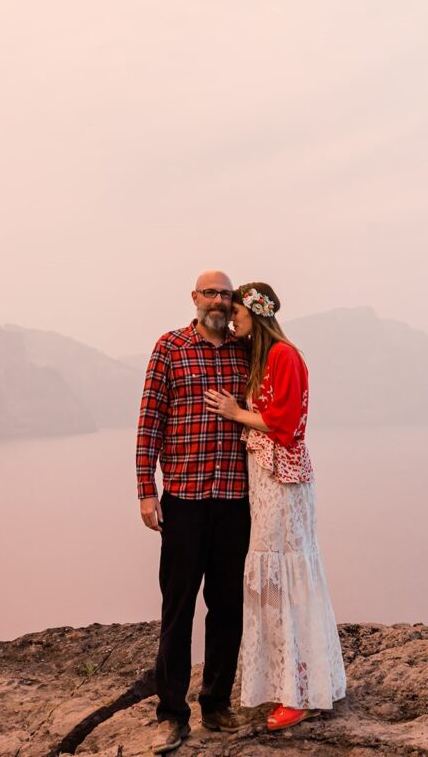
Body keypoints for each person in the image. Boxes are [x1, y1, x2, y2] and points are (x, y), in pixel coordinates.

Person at [205, 281, 346, 731]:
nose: (232, 319)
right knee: (278, 578)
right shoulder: (263, 356)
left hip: (280, 481)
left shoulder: (284, 355)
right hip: (267, 481)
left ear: (256, 313)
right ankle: (299, 684)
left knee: (285, 577)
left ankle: (299, 691)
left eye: (239, 312)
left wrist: (233, 412)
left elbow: (283, 423)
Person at [136, 270, 252, 754]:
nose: (219, 301)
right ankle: (172, 714)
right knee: (178, 609)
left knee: (227, 607)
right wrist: (147, 489)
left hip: (233, 500)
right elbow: (150, 421)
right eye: (212, 293)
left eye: (226, 294)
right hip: (182, 500)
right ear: (195, 297)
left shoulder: (246, 353)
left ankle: (217, 702)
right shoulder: (170, 347)